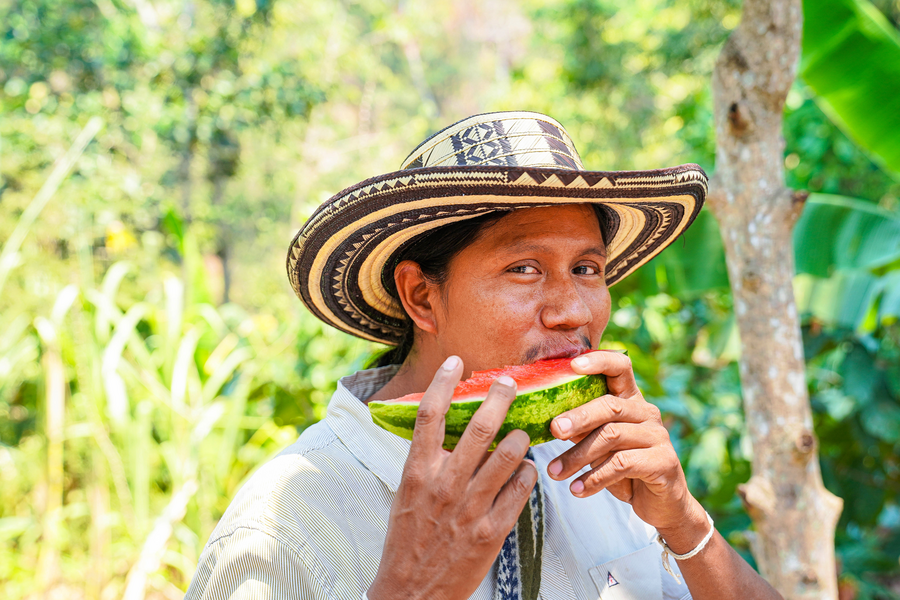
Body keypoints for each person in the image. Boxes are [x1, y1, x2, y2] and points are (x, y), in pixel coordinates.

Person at [185, 111, 782, 600]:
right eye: (523, 269)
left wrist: (684, 524)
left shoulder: (604, 470)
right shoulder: (288, 522)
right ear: (421, 294)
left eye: (586, 268)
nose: (572, 310)